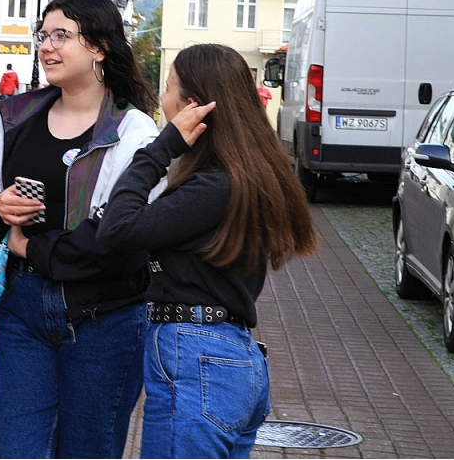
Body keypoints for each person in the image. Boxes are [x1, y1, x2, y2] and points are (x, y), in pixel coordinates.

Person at [0, 0, 160, 459]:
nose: (47, 46)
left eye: (62, 36)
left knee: (88, 451)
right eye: (43, 35)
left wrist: (25, 245)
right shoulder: (13, 120)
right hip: (24, 312)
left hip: (104, 316)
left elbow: (116, 238)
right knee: (15, 450)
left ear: (99, 48)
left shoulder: (132, 132)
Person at [97, 43, 317, 458]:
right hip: (227, 358)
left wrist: (161, 149)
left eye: (168, 90)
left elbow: (117, 229)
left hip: (199, 356)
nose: (162, 101)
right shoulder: (245, 177)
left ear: (192, 105)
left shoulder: (214, 186)